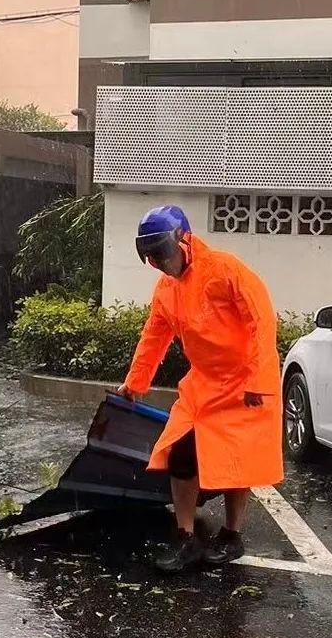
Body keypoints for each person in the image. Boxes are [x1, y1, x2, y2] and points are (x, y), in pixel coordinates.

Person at [117, 205, 283, 573]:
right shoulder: (166, 290)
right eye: (151, 257)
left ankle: (231, 535)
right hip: (203, 384)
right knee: (180, 454)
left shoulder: (226, 270)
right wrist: (135, 382)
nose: (159, 262)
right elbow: (154, 337)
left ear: (184, 240)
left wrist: (259, 380)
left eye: (161, 253)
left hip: (244, 383)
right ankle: (185, 537)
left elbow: (262, 321)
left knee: (238, 464)